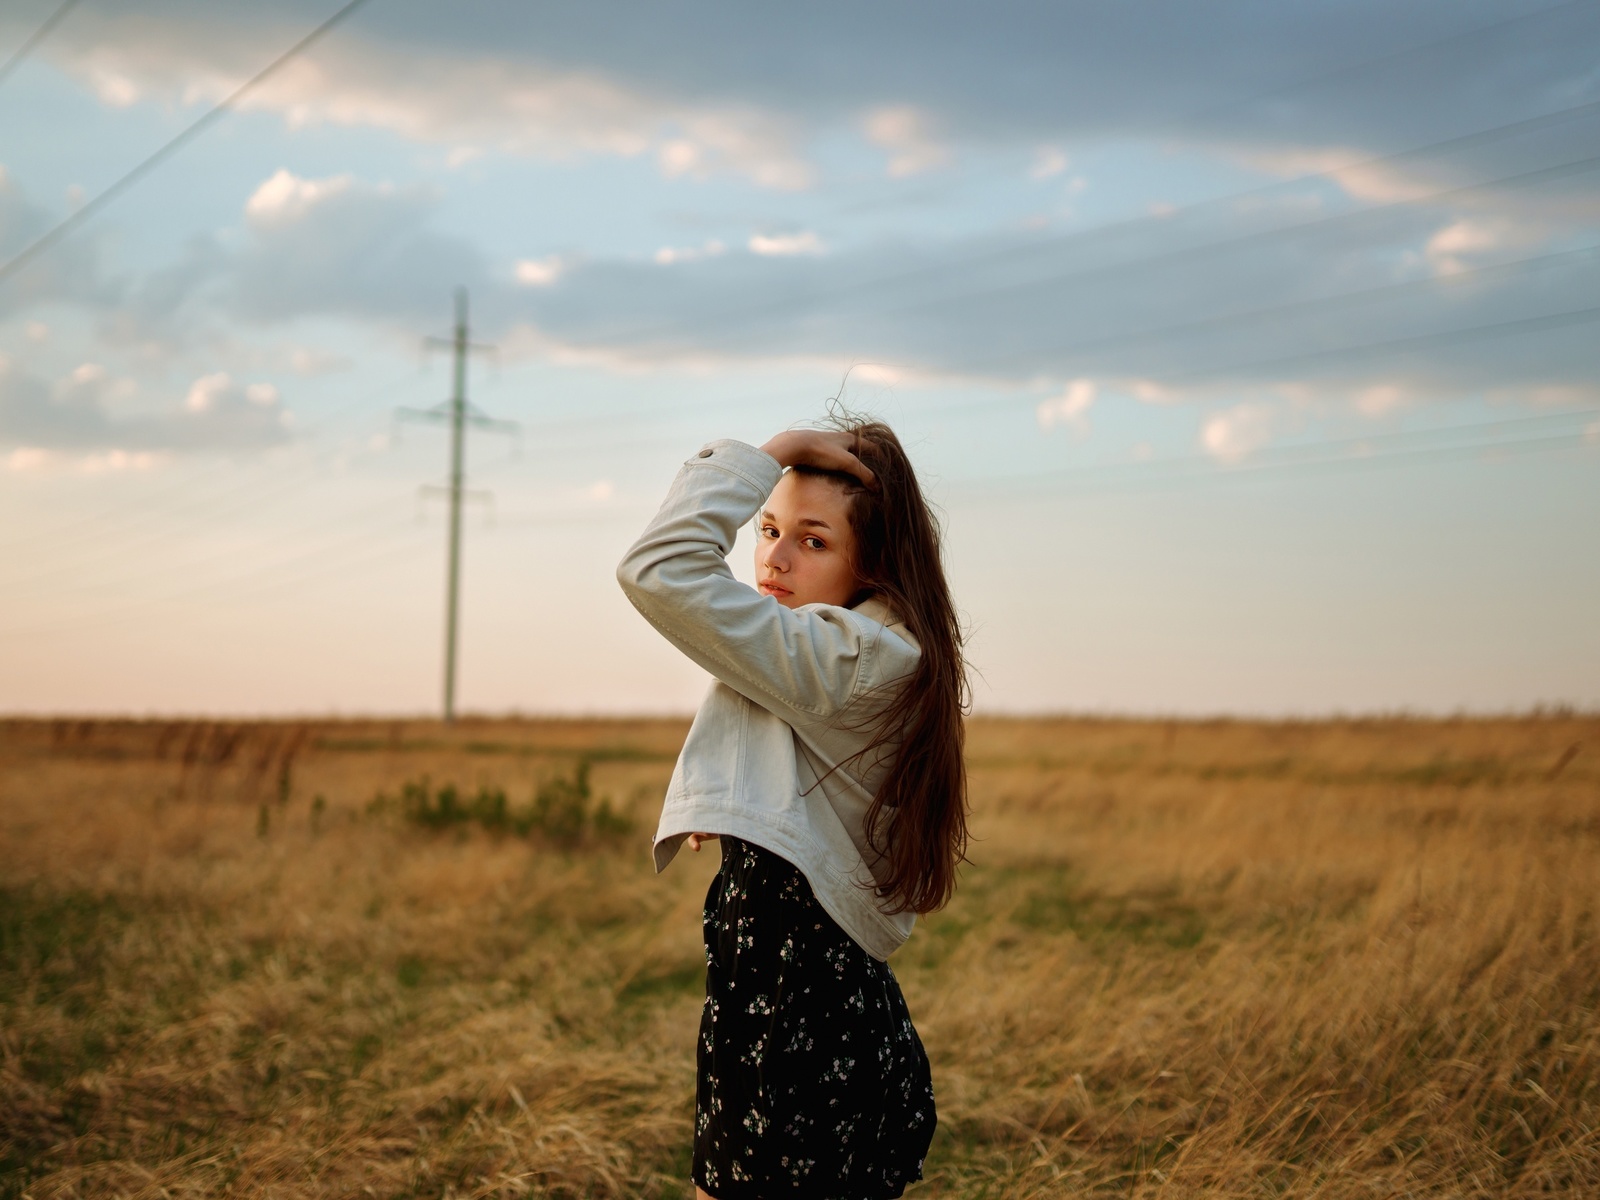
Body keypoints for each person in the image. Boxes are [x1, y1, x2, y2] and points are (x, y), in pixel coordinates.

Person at [616, 418, 968, 1199]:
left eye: (813, 541)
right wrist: (742, 802)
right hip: (788, 997)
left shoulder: (851, 660)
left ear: (871, 561)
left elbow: (658, 569)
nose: (772, 557)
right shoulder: (858, 648)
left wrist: (769, 454)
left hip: (799, 1011)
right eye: (767, 527)